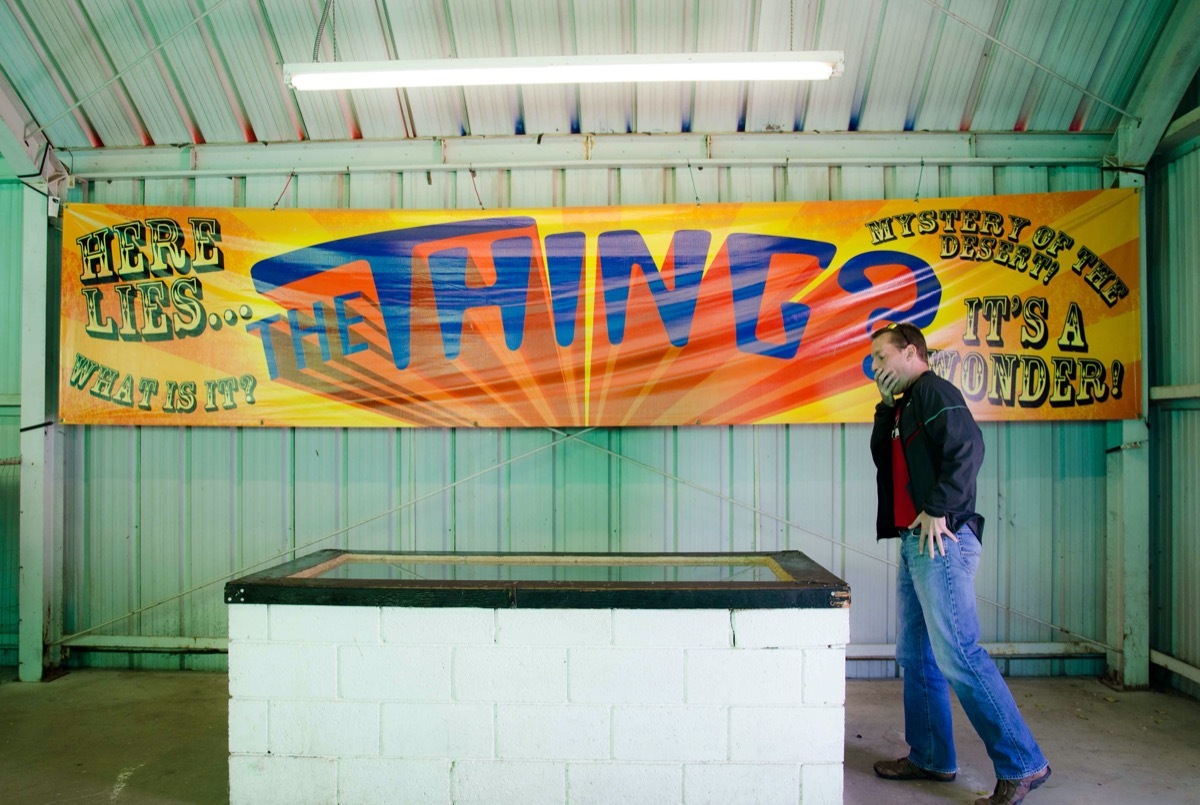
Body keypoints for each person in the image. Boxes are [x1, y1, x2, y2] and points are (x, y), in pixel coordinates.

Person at [867, 322, 1051, 805]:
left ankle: (1023, 763)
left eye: (882, 358)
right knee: (919, 655)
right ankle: (930, 756)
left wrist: (939, 506)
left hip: (942, 539)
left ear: (911, 353)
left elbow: (968, 447)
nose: (875, 368)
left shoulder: (932, 390)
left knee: (959, 654)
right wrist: (885, 410)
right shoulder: (903, 405)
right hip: (915, 542)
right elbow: (883, 463)